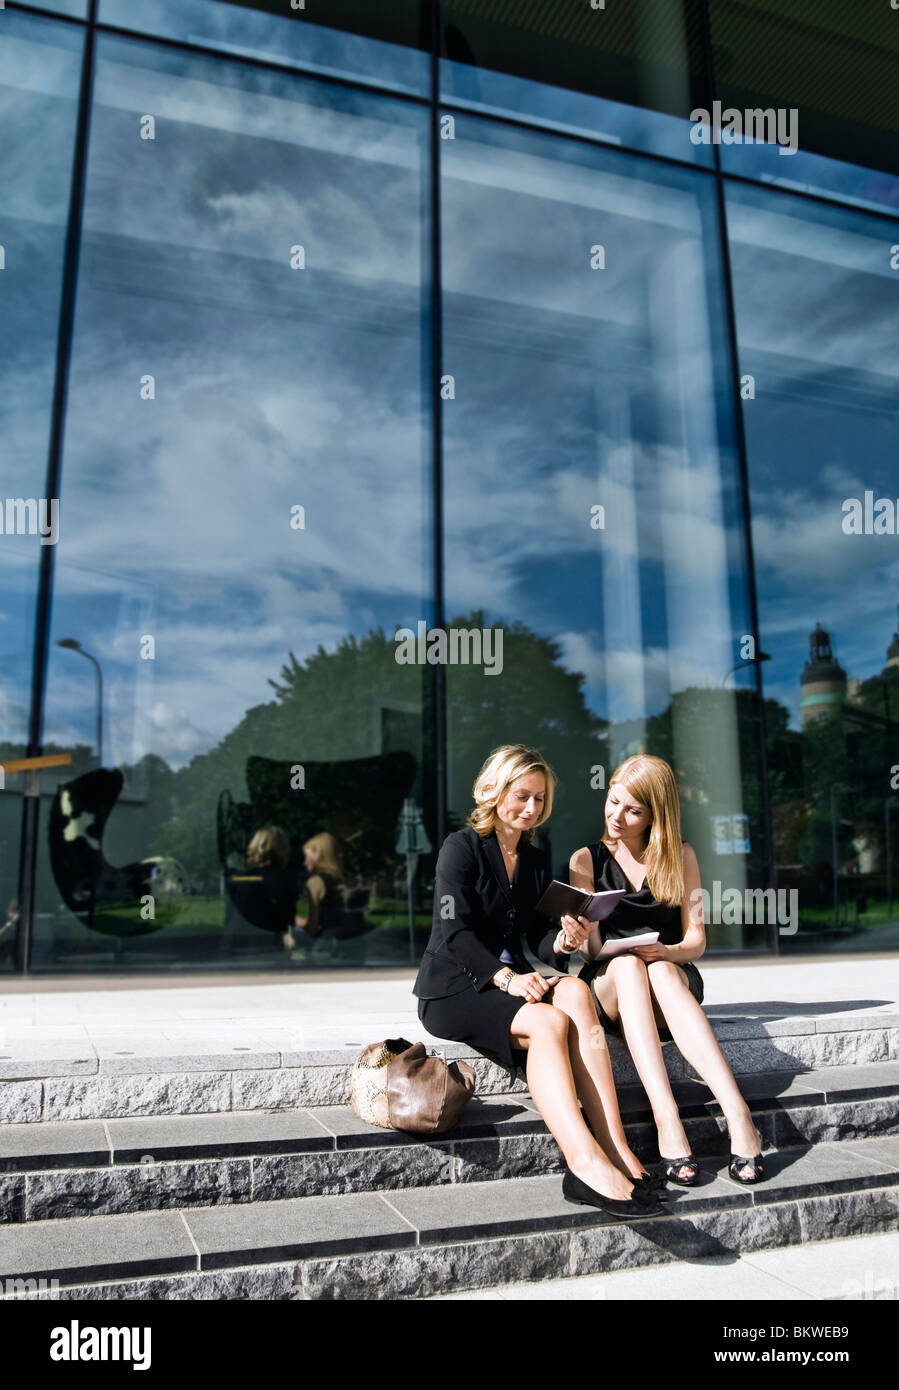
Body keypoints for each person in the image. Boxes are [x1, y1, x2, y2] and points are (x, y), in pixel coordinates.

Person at [414, 744, 669, 1219]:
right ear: (495, 790)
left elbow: (536, 935)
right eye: (522, 796)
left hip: (502, 980)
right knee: (550, 1024)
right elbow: (457, 933)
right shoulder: (461, 848)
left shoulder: (532, 859)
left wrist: (565, 939)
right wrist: (506, 978)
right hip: (452, 988)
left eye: (539, 800)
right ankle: (584, 1161)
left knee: (573, 989)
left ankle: (615, 1146)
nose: (531, 809)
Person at [569, 754, 765, 1187]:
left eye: (633, 810)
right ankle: (667, 1117)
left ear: (655, 814)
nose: (616, 816)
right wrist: (583, 932)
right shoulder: (586, 860)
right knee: (627, 965)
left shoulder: (681, 856)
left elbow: (696, 940)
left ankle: (738, 1112)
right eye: (613, 801)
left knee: (654, 970)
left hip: (668, 976)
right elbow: (593, 953)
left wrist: (665, 950)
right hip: (613, 986)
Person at [285, 832, 346, 949]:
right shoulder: (340, 880)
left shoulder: (314, 883)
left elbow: (305, 924)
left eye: (308, 857)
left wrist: (289, 938)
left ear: (319, 855)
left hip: (323, 948)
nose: (305, 862)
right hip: (347, 945)